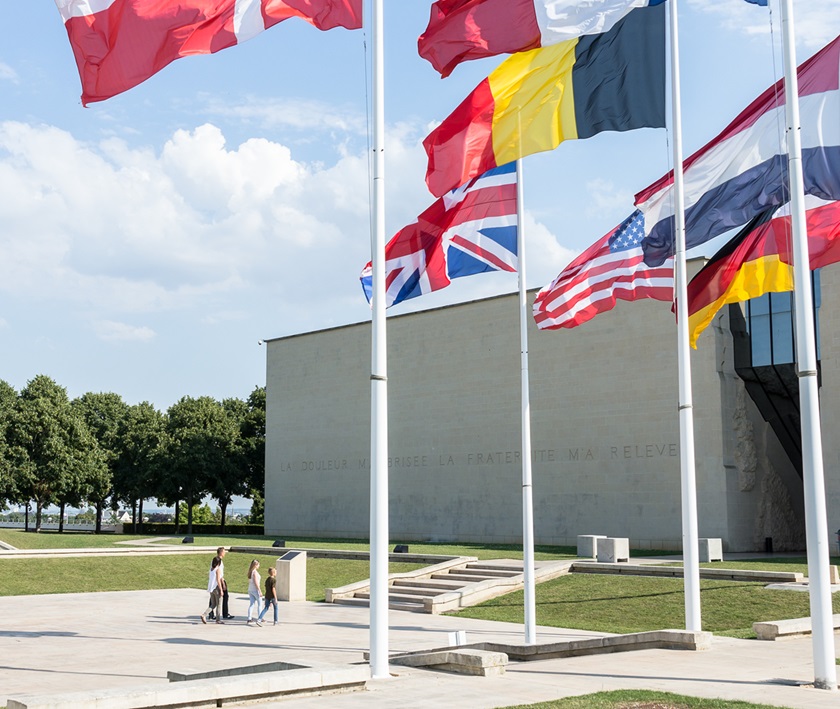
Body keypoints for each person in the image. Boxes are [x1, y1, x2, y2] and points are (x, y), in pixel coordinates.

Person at [200, 556, 223, 625]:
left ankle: (204, 614)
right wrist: (221, 590)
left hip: (211, 589)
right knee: (219, 604)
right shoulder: (217, 569)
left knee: (213, 604)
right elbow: (218, 580)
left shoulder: (211, 569)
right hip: (216, 588)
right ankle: (218, 619)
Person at [216, 547, 234, 620]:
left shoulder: (215, 560)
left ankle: (211, 614)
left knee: (214, 597)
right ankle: (225, 614)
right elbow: (219, 573)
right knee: (225, 596)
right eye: (224, 552)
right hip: (220, 580)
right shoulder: (219, 561)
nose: (225, 553)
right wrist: (223, 582)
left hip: (217, 580)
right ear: (221, 552)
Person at [246, 559, 262, 626]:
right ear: (256, 565)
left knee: (252, 604)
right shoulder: (254, 572)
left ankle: (249, 618)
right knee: (260, 604)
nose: (259, 566)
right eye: (258, 564)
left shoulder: (250, 572)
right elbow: (256, 582)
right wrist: (259, 590)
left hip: (250, 589)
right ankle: (260, 617)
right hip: (255, 590)